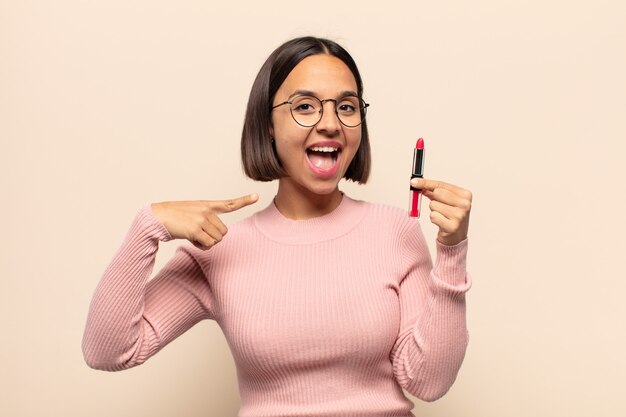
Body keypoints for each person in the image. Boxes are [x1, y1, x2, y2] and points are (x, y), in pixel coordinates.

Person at [82, 36, 473, 416]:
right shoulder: (219, 249)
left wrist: (452, 252)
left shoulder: (396, 231)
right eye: (305, 106)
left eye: (347, 107)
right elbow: (108, 351)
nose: (331, 124)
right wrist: (147, 226)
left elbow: (428, 382)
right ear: (267, 124)